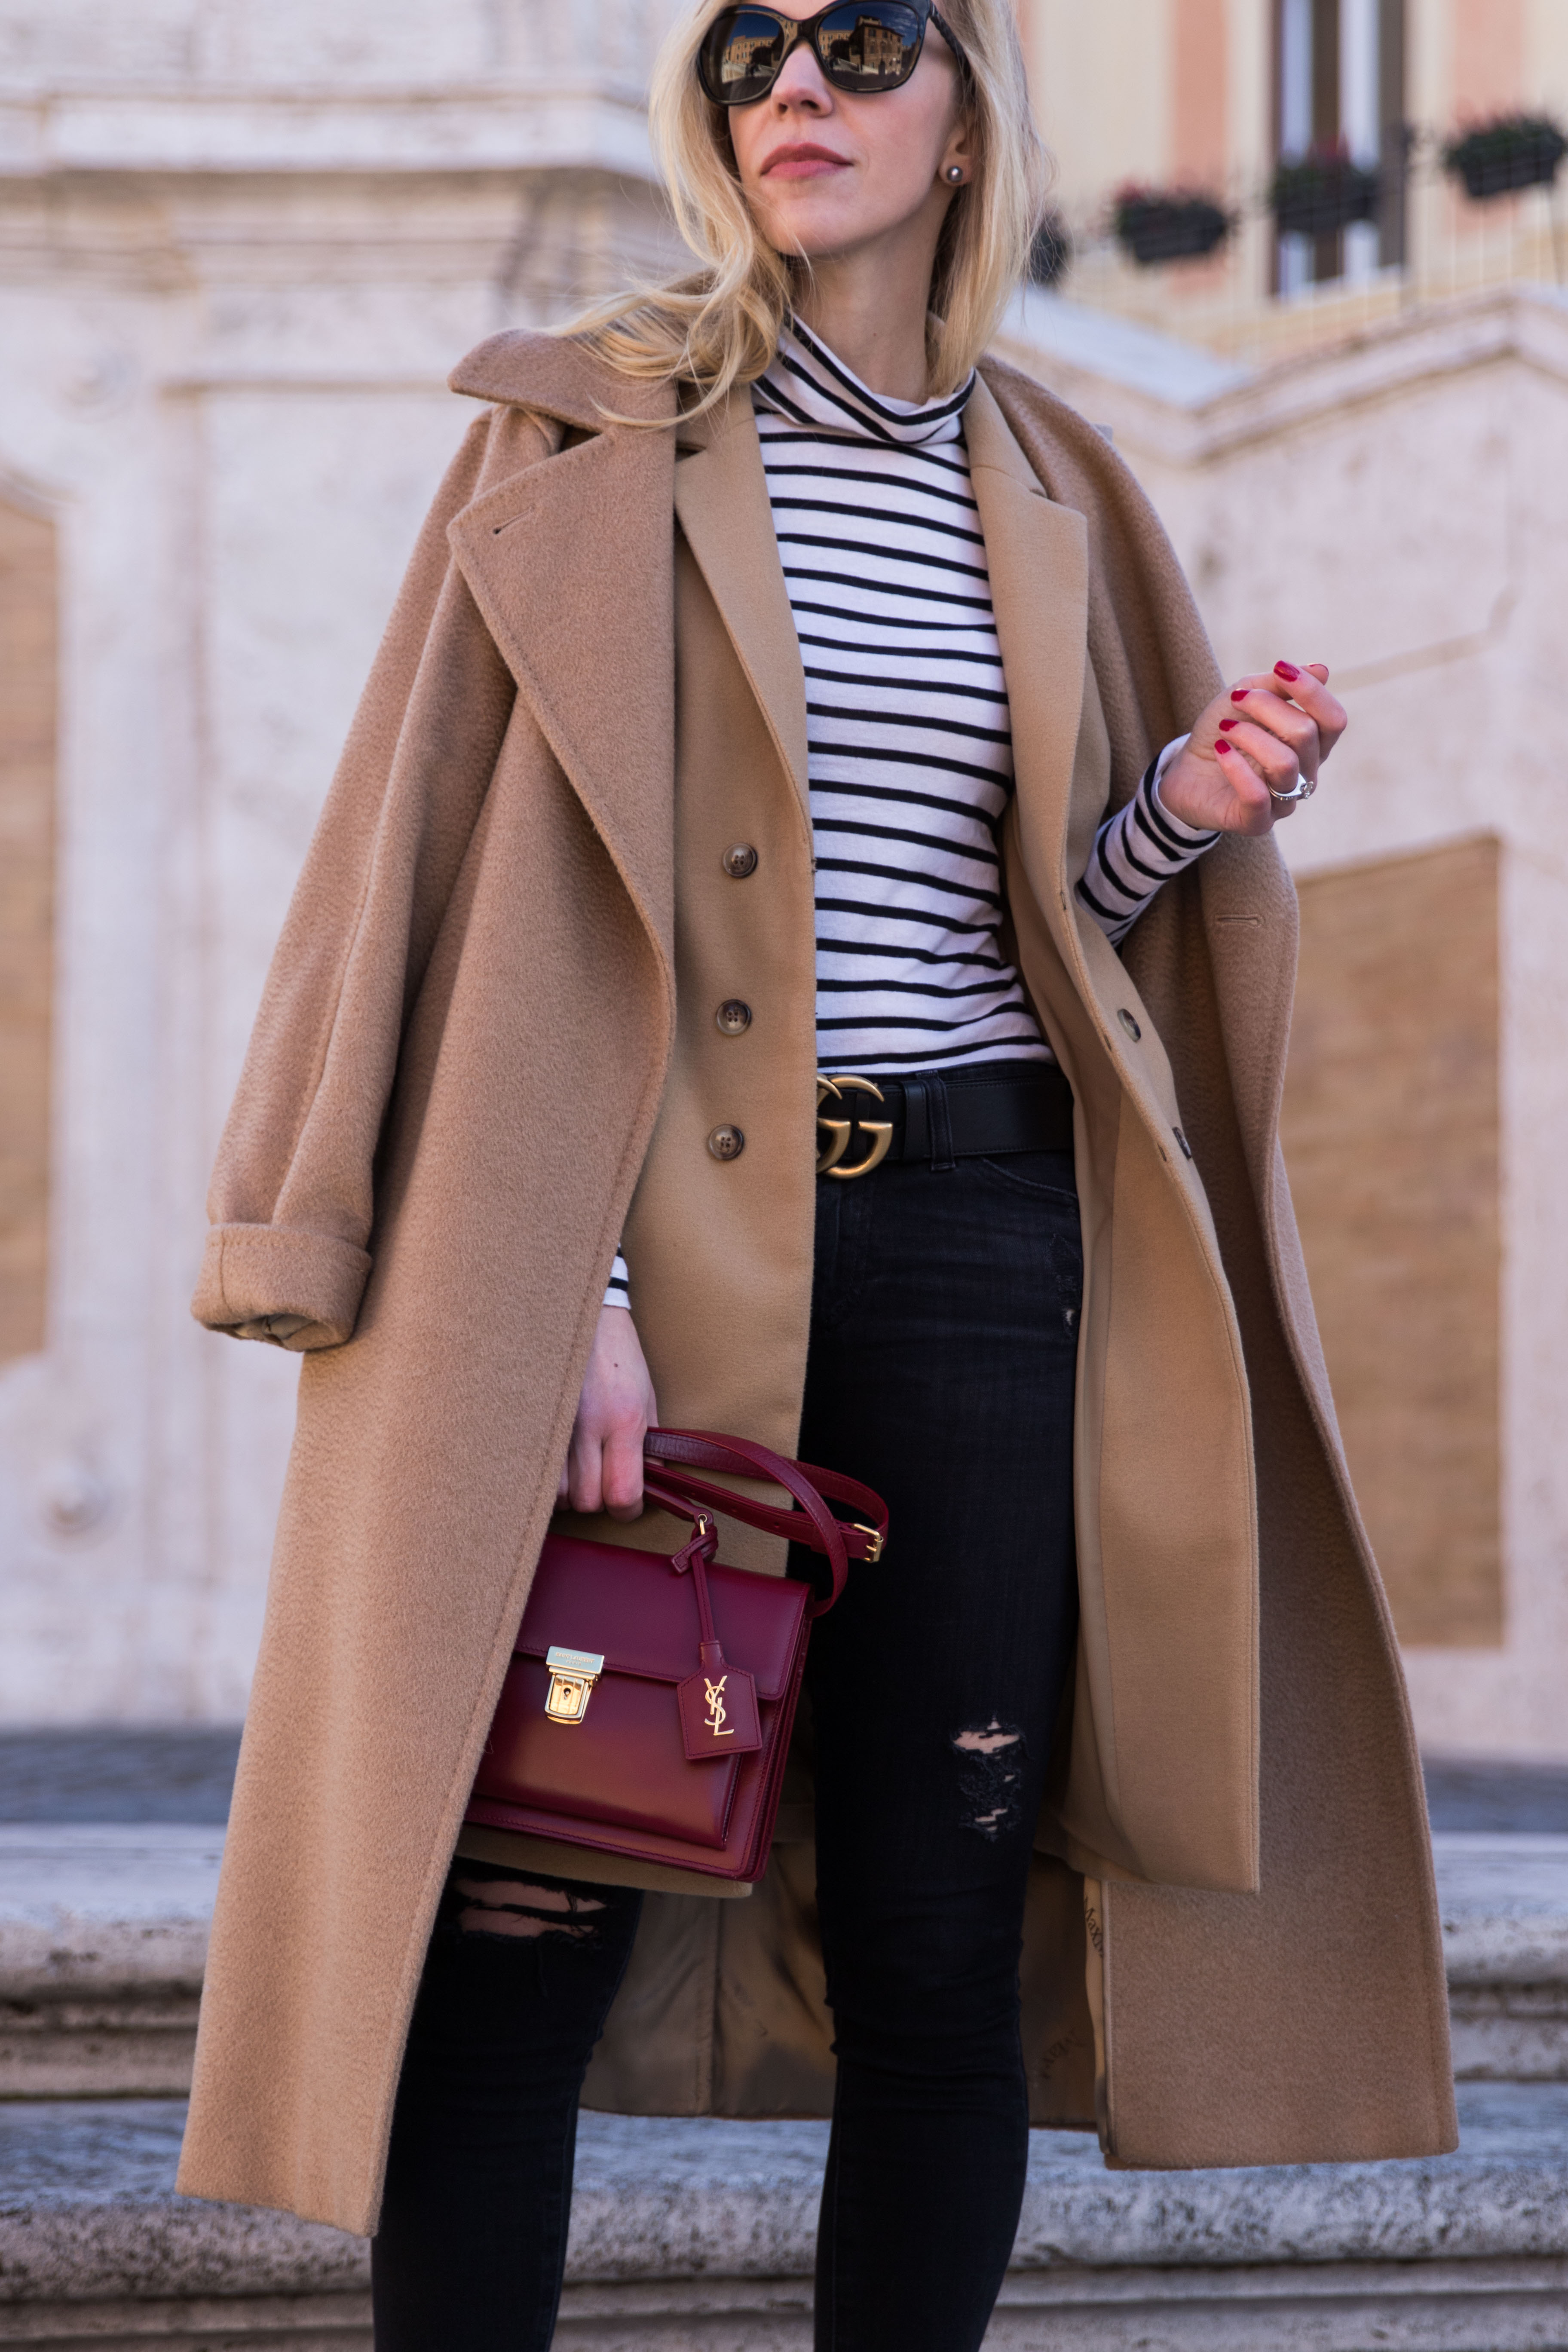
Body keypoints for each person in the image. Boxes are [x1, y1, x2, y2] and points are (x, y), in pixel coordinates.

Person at [175, 3, 1458, 2346]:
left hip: (984, 1239)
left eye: (863, 41)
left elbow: (1006, 911)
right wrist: (555, 1290)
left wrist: (1187, 816)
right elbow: (416, 864)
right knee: (529, 1918)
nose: (797, 86)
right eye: (750, 47)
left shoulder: (1054, 475)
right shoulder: (593, 433)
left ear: (967, 113)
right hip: (650, 1253)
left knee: (936, 1939)